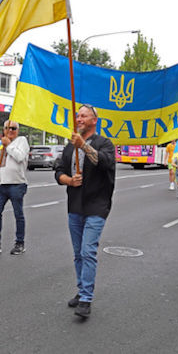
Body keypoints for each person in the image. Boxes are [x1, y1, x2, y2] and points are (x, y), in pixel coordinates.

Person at [54, 104, 115, 318]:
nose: (79, 119)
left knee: (88, 251)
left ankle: (87, 298)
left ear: (94, 120)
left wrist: (84, 146)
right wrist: (69, 180)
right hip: (75, 205)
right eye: (77, 115)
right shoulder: (70, 146)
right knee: (78, 253)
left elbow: (104, 162)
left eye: (83, 116)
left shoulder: (104, 143)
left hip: (96, 205)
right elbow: (58, 171)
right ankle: (81, 291)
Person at [0, 120, 29, 255]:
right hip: (1, 185)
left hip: (17, 184)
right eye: (8, 128)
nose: (10, 131)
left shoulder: (21, 141)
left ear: (17, 130)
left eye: (13, 128)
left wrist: (8, 146)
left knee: (18, 214)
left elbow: (19, 157)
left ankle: (20, 243)